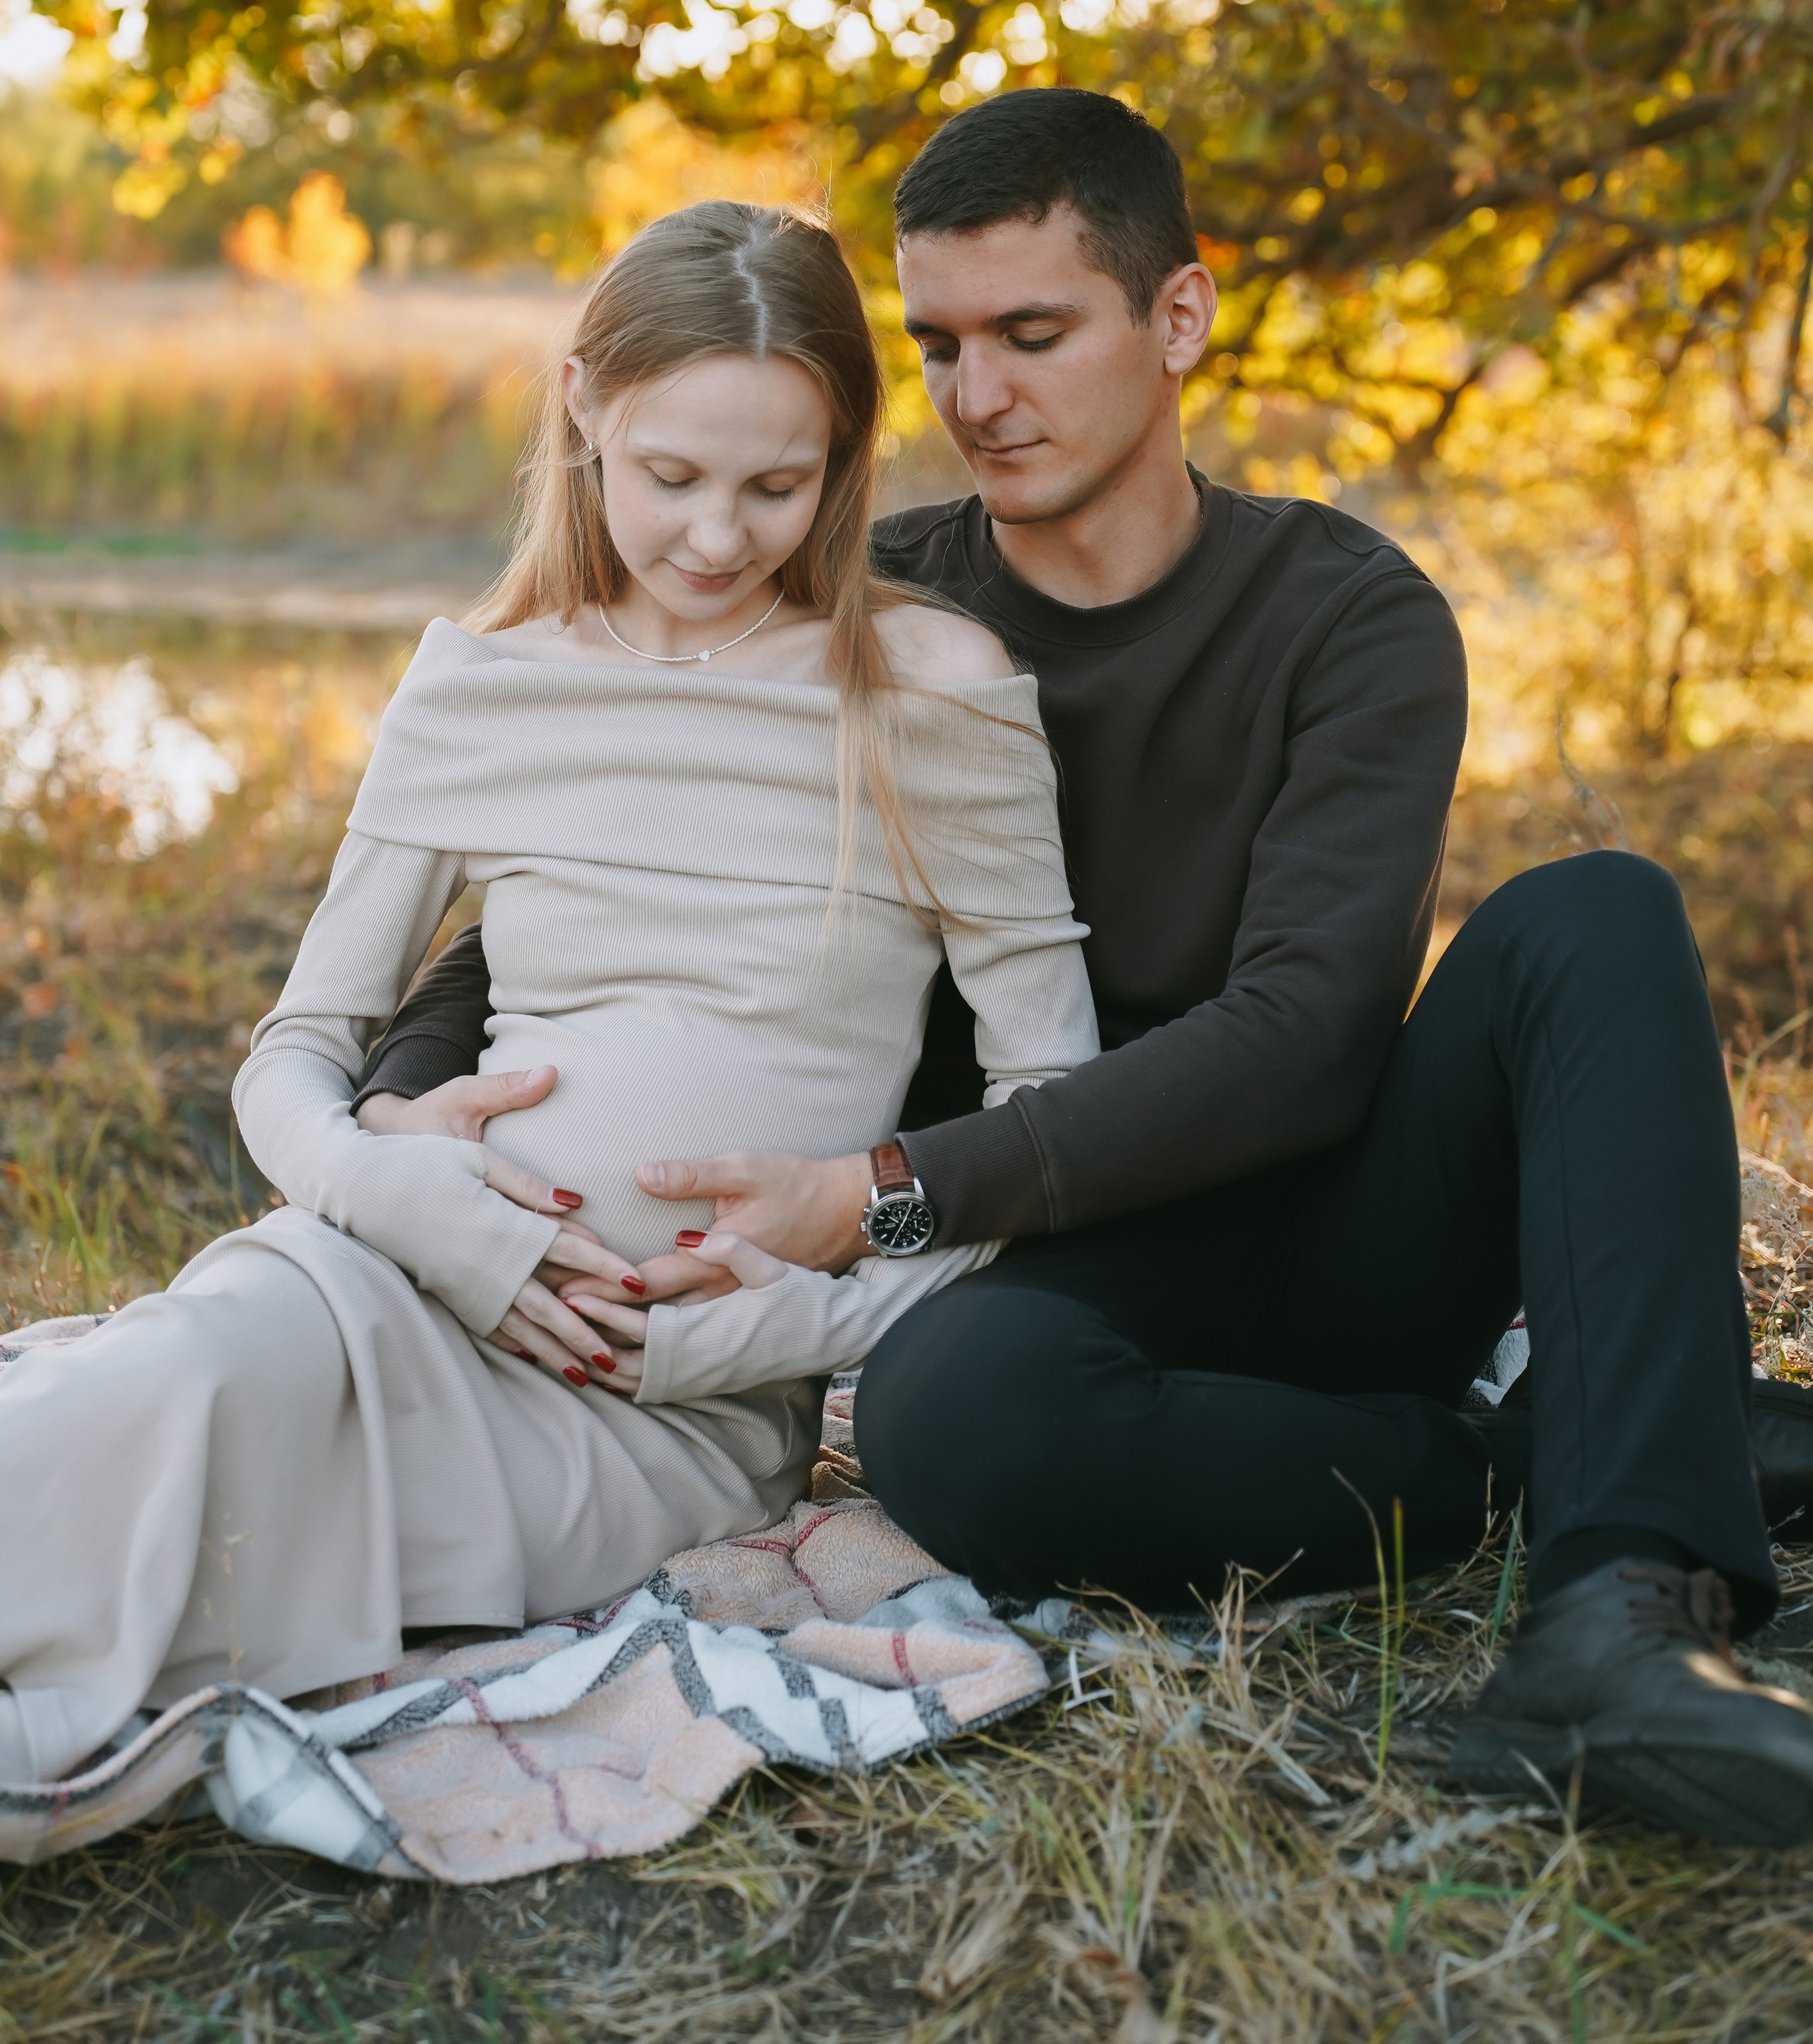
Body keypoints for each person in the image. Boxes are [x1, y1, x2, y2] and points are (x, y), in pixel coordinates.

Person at [360, 89, 1813, 1849]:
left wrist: (876, 1189)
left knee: (1593, 907)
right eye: (942, 347)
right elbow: (558, 879)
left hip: (1335, 1224)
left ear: (1174, 320)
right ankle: (1570, 1448)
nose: (977, 398)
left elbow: (1305, 1037)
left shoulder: (1343, 614)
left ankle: (1620, 1611)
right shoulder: (851, 611)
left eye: (1031, 333)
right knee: (945, 1425)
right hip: (1029, 1280)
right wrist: (400, 1101)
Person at [0, 202, 1099, 1788]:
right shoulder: (484, 679)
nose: (718, 537)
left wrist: (813, 1319)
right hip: (392, 1276)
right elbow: (295, 1056)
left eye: (774, 486)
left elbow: (1048, 1125)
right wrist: (417, 1201)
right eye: (670, 477)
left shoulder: (930, 693)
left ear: (844, 454)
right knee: (178, 1378)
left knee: (201, 1530)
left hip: (666, 1416)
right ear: (583, 405)